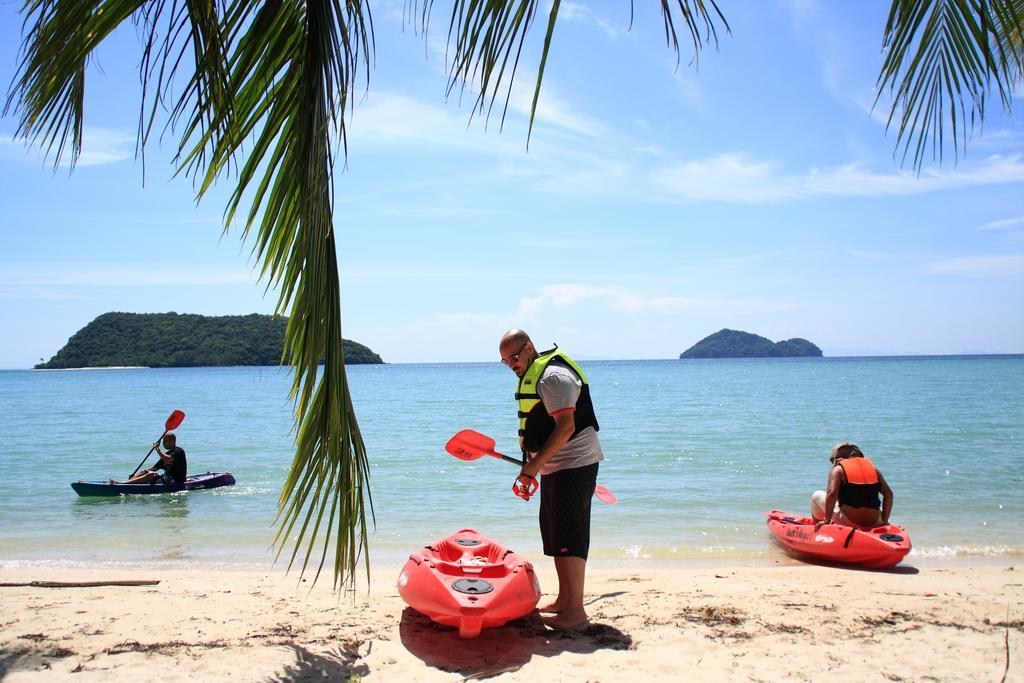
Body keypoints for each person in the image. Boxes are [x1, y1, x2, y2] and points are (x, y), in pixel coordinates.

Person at [499, 329, 604, 631]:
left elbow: (565, 427)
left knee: (570, 537)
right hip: (555, 466)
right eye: (506, 362)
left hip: (574, 463)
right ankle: (565, 602)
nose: (512, 365)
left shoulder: (553, 377)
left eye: (515, 357)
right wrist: (534, 465)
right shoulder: (534, 374)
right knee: (557, 536)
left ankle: (576, 614)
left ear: (529, 348)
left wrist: (533, 467)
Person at [811, 441, 893, 530]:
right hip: (875, 522)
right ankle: (884, 523)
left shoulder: (838, 470)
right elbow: (889, 494)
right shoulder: (874, 470)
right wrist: (884, 521)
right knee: (875, 506)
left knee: (816, 496)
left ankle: (818, 528)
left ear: (836, 458)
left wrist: (827, 519)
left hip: (849, 522)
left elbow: (832, 494)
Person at [113, 433, 187, 486]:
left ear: (172, 441)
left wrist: (157, 449)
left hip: (176, 480)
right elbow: (154, 468)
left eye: (165, 442)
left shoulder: (179, 451)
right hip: (166, 477)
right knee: (145, 472)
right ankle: (128, 482)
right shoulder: (167, 453)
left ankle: (121, 484)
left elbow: (167, 459)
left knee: (150, 475)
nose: (163, 444)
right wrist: (137, 475)